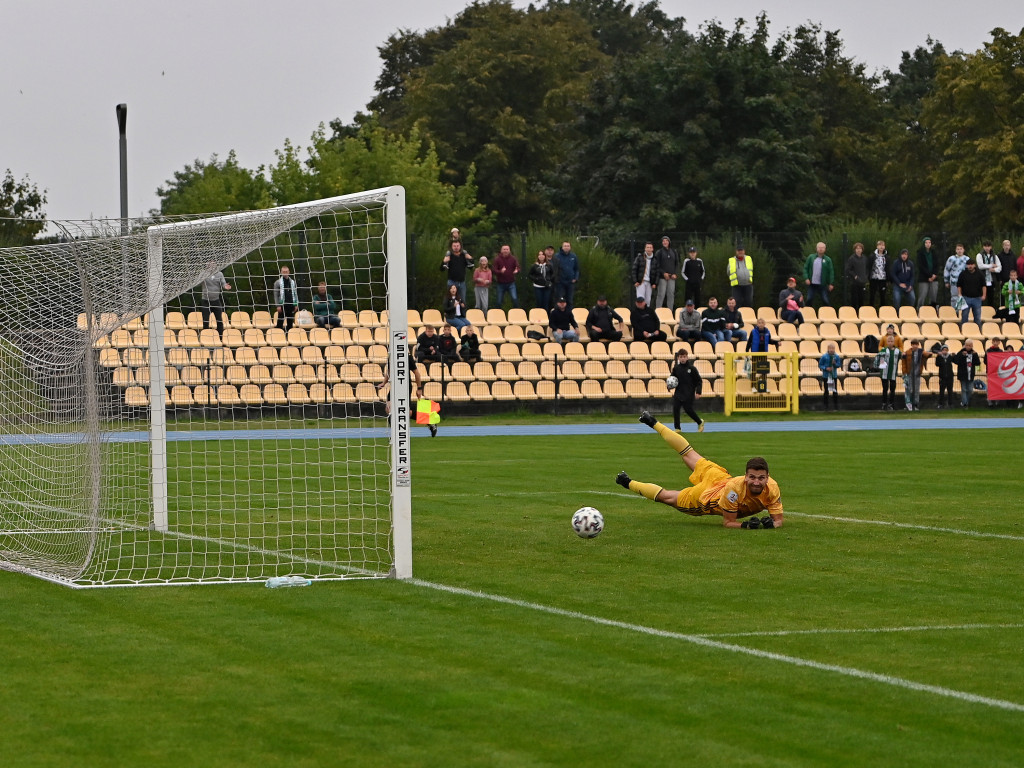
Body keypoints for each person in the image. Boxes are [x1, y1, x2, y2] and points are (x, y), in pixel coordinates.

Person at [616, 411, 783, 529]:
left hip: (720, 477)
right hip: (708, 495)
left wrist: (772, 525)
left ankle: (651, 422)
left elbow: (778, 520)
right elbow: (728, 523)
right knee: (667, 497)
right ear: (745, 476)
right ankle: (628, 482)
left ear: (768, 478)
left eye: (761, 478)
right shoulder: (734, 491)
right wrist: (747, 526)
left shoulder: (773, 488)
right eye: (752, 477)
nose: (756, 482)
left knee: (689, 453)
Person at [378, 353, 432, 435]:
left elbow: (416, 373)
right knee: (389, 409)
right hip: (395, 387)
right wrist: (384, 383)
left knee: (406, 412)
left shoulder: (407, 357)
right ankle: (395, 434)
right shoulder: (391, 355)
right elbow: (389, 371)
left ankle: (428, 420)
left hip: (405, 387)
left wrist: (419, 388)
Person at [669, 349, 704, 432]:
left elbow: (699, 381)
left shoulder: (692, 369)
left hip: (689, 393)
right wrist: (669, 386)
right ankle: (677, 428)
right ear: (678, 358)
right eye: (681, 357)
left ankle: (699, 422)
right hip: (678, 392)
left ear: (687, 357)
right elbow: (672, 379)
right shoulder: (676, 368)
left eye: (684, 357)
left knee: (688, 409)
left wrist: (698, 392)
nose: (683, 359)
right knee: (676, 408)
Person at [200, 263, 231, 335]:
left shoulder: (219, 274)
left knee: (219, 320)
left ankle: (220, 337)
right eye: (210, 264)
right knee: (205, 320)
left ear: (216, 265)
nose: (211, 265)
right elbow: (197, 283)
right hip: (205, 301)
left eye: (213, 264)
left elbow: (223, 283)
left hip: (216, 301)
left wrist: (225, 286)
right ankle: (205, 336)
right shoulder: (203, 273)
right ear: (207, 265)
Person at [900, 338, 930, 411]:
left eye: (916, 344)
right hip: (909, 373)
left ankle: (915, 404)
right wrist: (904, 373)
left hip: (917, 374)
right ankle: (908, 404)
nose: (914, 346)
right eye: (913, 344)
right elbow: (903, 364)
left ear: (918, 345)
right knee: (908, 389)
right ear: (911, 345)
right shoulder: (907, 352)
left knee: (916, 390)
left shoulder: (921, 351)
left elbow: (927, 355)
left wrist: (930, 353)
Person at [874, 334, 901, 411]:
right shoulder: (883, 350)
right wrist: (878, 367)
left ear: (894, 342)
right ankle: (884, 404)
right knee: (885, 389)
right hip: (884, 373)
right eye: (888, 341)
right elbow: (878, 358)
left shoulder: (897, 351)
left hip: (893, 373)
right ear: (886, 342)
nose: (890, 342)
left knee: (892, 389)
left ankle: (891, 404)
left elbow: (901, 357)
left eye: (891, 341)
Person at [955, 258, 986, 325]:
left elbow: (984, 285)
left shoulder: (980, 274)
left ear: (974, 265)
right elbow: (959, 285)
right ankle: (964, 331)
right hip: (966, 298)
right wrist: (959, 294)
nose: (970, 266)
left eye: (971, 264)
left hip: (977, 298)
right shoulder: (962, 274)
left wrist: (984, 295)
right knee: (964, 317)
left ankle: (978, 332)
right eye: (968, 264)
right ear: (966, 266)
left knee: (977, 318)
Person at [803, 241, 834, 307]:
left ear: (825, 249)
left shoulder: (828, 259)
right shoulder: (811, 257)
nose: (821, 249)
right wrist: (806, 278)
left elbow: (831, 272)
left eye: (822, 247)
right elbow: (805, 268)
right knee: (809, 299)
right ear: (816, 248)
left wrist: (831, 283)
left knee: (825, 300)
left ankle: (827, 315)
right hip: (812, 284)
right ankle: (808, 314)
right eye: (819, 247)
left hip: (822, 284)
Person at [953, 339, 981, 407]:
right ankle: (965, 403)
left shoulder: (974, 353)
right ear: (964, 345)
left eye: (970, 345)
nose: (968, 347)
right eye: (967, 345)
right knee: (964, 389)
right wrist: (961, 355)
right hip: (963, 374)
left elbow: (978, 363)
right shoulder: (961, 352)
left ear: (972, 346)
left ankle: (967, 402)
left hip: (970, 375)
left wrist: (974, 355)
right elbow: (956, 361)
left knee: (970, 390)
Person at [654, 236, 680, 310]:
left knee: (671, 294)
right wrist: (663, 273)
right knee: (661, 294)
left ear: (669, 242)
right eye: (663, 241)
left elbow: (677, 263)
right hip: (663, 277)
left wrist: (675, 273)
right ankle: (658, 312)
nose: (665, 242)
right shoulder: (659, 252)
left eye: (666, 241)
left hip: (672, 277)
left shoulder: (674, 251)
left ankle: (670, 312)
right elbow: (657, 265)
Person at [554, 241, 580, 309]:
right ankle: (559, 316)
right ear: (562, 247)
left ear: (570, 247)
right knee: (560, 300)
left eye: (568, 246)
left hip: (570, 282)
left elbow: (576, 269)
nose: (566, 247)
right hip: (560, 282)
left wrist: (576, 278)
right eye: (565, 246)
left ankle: (569, 316)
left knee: (570, 300)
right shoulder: (557, 256)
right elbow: (554, 269)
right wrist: (557, 279)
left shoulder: (573, 256)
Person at [493, 245, 520, 309]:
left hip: (511, 283)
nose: (505, 251)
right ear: (501, 250)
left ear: (509, 250)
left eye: (507, 249)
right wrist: (500, 271)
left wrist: (517, 270)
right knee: (499, 301)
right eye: (504, 249)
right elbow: (494, 270)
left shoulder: (513, 259)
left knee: (514, 298)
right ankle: (498, 316)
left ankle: (516, 314)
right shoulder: (497, 259)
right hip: (501, 283)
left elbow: (518, 267)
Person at [916, 237, 940, 310]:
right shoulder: (920, 253)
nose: (928, 244)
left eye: (929, 242)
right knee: (922, 296)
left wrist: (934, 275)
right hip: (924, 278)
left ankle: (932, 311)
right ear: (924, 244)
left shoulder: (934, 252)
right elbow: (921, 266)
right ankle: (919, 311)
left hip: (934, 278)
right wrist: (929, 275)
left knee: (933, 296)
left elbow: (937, 264)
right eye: (926, 243)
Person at [944, 244, 970, 311]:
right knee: (954, 297)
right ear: (956, 250)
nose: (959, 251)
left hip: (965, 282)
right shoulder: (951, 259)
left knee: (964, 297)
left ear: (963, 250)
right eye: (958, 249)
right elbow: (947, 269)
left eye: (961, 249)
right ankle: (954, 312)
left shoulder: (967, 259)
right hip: (954, 281)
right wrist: (946, 281)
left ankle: (963, 312)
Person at [976, 240, 1000, 309]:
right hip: (982, 280)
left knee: (991, 297)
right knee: (982, 297)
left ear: (991, 247)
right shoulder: (979, 255)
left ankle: (990, 312)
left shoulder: (995, 256)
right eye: (985, 246)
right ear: (983, 247)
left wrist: (994, 269)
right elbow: (980, 266)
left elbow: (999, 267)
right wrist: (991, 265)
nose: (987, 248)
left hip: (992, 280)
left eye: (988, 246)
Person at [273, 265, 298, 331]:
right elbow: (276, 295)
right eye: (283, 272)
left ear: (289, 272)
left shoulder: (292, 282)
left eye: (286, 271)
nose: (285, 273)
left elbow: (295, 294)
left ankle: (289, 336)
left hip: (291, 304)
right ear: (281, 272)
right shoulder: (277, 282)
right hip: (282, 304)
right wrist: (278, 305)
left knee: (290, 323)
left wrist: (296, 304)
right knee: (280, 323)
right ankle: (279, 336)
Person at [818, 342, 842, 411]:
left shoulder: (836, 356)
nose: (831, 350)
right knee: (826, 391)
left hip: (833, 376)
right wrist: (826, 368)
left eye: (833, 348)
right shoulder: (824, 356)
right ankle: (826, 407)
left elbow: (838, 365)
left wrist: (835, 364)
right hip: (826, 376)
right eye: (830, 348)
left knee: (834, 391)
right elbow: (820, 365)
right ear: (828, 349)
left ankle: (836, 407)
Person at [845, 242, 869, 310]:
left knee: (862, 299)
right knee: (854, 299)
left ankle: (861, 314)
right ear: (855, 250)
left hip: (862, 282)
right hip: (854, 283)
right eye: (857, 248)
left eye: (860, 248)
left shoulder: (865, 258)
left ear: (862, 249)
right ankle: (854, 314)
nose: (858, 250)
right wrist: (854, 276)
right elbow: (848, 269)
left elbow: (867, 268)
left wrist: (866, 276)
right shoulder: (851, 258)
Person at [868, 241, 889, 309]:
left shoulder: (887, 257)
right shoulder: (872, 256)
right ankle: (871, 311)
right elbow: (869, 267)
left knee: (882, 296)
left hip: (883, 279)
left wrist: (888, 279)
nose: (881, 246)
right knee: (872, 295)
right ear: (877, 246)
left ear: (884, 247)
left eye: (883, 245)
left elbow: (888, 268)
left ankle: (882, 312)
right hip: (874, 278)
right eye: (880, 245)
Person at [934, 343, 955, 409]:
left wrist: (954, 355)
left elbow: (956, 361)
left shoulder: (950, 357)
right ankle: (940, 404)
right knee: (941, 391)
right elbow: (937, 364)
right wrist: (938, 356)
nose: (945, 351)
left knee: (950, 391)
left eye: (946, 350)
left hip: (950, 376)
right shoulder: (940, 357)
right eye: (943, 350)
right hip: (942, 377)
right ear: (941, 350)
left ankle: (950, 404)